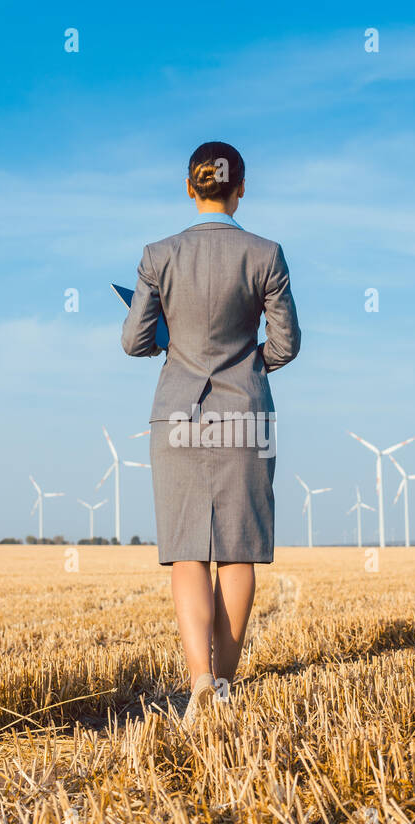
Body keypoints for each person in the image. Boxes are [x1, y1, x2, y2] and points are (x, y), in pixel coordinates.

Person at [121, 141, 301, 724]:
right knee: (238, 551)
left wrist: (172, 345)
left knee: (187, 553)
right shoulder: (266, 255)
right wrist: (248, 367)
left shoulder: (159, 255)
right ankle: (224, 686)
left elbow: (134, 342)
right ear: (241, 187)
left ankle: (199, 680)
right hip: (244, 414)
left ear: (190, 188)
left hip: (177, 416)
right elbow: (286, 345)